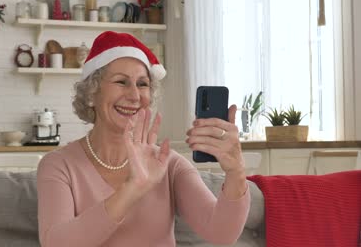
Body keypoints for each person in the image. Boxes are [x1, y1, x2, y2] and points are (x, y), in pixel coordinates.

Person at [37, 31, 250, 246]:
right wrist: (133, 188)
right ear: (92, 94)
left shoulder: (169, 164)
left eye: (142, 84)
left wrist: (236, 171)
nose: (134, 95)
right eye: (121, 82)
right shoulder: (59, 165)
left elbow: (221, 233)